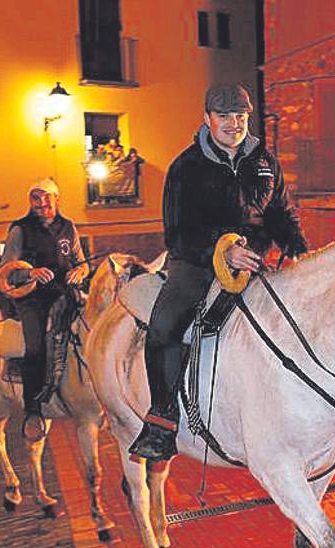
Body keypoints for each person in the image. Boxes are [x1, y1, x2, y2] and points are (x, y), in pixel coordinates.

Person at [128, 82, 308, 461]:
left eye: (240, 115)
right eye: (224, 116)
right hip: (196, 263)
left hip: (256, 262)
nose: (233, 123)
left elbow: (280, 214)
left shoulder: (264, 161)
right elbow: (177, 234)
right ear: (207, 119)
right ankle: (161, 420)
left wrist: (297, 249)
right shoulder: (185, 168)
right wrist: (222, 254)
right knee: (165, 326)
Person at [0, 178, 89, 439]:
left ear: (56, 199)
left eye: (46, 198)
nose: (41, 204)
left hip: (65, 294)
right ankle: (33, 409)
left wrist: (79, 272)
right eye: (35, 199)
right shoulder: (20, 230)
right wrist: (31, 273)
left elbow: (81, 262)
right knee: (35, 347)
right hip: (33, 299)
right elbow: (6, 271)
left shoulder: (69, 227)